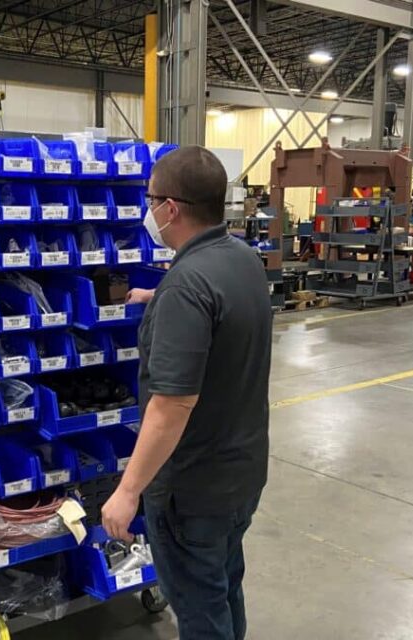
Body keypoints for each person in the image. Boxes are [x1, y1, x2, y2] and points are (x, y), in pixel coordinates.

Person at [101, 145, 272, 640]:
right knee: (222, 587)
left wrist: (128, 492)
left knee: (199, 613)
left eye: (150, 198)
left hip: (192, 491)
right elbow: (218, 306)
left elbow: (171, 406)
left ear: (170, 208)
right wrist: (159, 296)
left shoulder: (187, 287)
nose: (148, 208)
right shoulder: (241, 259)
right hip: (241, 476)